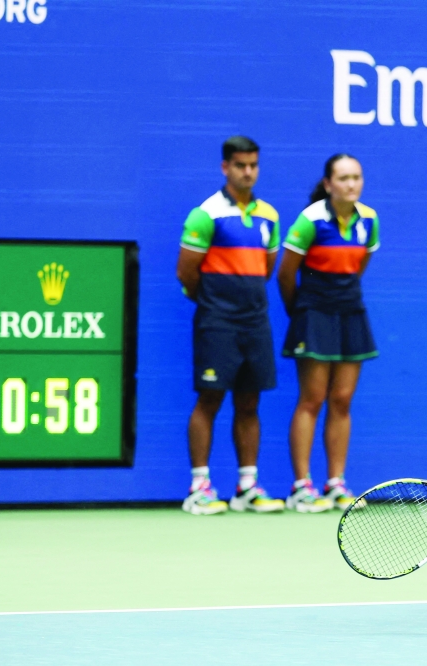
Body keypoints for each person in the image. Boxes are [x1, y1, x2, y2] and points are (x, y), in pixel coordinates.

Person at [176, 136, 285, 515]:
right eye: (240, 165)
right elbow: (186, 273)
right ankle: (199, 487)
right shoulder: (205, 214)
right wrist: (215, 305)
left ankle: (246, 487)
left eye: (253, 165)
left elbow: (266, 270)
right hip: (217, 322)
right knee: (209, 400)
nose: (248, 172)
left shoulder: (269, 216)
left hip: (255, 322)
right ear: (225, 167)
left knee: (249, 403)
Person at [278, 154, 380, 513]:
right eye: (343, 178)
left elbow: (358, 267)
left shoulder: (369, 220)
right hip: (314, 310)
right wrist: (302, 314)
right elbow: (286, 275)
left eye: (357, 177)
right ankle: (302, 486)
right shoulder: (310, 220)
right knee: (312, 398)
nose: (351, 184)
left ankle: (336, 483)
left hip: (350, 310)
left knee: (341, 399)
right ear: (328, 184)